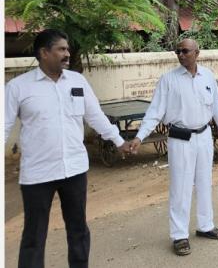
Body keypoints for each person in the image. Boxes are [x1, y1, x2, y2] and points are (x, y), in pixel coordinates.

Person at [5, 29, 131, 268]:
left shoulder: (77, 81)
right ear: (44, 53)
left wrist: (119, 141)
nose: (67, 53)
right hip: (37, 174)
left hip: (74, 170)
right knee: (34, 236)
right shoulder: (18, 87)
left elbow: (95, 116)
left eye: (67, 49)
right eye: (61, 49)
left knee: (78, 230)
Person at [130, 38, 218, 256]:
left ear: (197, 52)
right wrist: (140, 137)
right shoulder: (169, 80)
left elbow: (216, 107)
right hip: (181, 139)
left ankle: (205, 226)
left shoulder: (207, 76)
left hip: (204, 136)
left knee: (205, 182)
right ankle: (179, 235)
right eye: (177, 51)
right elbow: (155, 112)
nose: (180, 54)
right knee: (181, 187)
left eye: (185, 51)